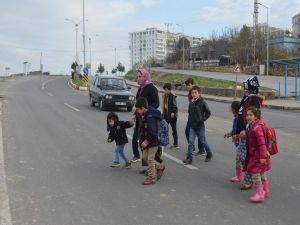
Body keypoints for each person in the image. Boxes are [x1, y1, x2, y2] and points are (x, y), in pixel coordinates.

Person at [237, 76, 264, 190]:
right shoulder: (246, 98)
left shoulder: (253, 100)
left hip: (248, 133)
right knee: (242, 157)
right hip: (244, 132)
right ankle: (253, 179)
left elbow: (252, 117)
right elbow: (240, 115)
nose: (243, 89)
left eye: (245, 88)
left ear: (250, 88)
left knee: (245, 157)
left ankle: (251, 181)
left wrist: (245, 129)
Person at [131, 68, 159, 163]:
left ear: (145, 76)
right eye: (137, 77)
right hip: (140, 119)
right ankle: (142, 160)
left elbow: (156, 103)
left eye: (140, 76)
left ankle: (153, 165)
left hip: (148, 120)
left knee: (146, 143)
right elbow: (138, 104)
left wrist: (146, 111)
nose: (138, 78)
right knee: (137, 141)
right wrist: (135, 115)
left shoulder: (151, 88)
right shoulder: (140, 88)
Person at [135, 97, 165, 185]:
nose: (137, 111)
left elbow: (152, 131)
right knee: (144, 158)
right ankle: (160, 167)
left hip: (153, 141)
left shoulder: (150, 117)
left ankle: (152, 177)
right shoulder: (146, 113)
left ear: (143, 108)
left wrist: (146, 142)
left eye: (137, 109)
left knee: (150, 158)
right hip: (148, 140)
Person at [244, 106, 271, 203]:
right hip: (258, 155)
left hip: (258, 156)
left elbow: (262, 143)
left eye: (250, 115)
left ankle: (260, 194)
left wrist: (263, 156)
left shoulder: (256, 127)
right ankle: (265, 191)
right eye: (247, 115)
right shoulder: (252, 126)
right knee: (262, 173)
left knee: (255, 174)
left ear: (255, 116)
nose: (248, 117)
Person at [182, 86, 213, 164]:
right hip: (192, 126)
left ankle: (209, 154)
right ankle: (189, 158)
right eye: (192, 93)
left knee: (203, 142)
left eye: (195, 93)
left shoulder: (202, 102)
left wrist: (203, 119)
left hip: (200, 126)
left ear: (199, 93)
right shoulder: (191, 102)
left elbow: (208, 113)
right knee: (190, 142)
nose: (194, 94)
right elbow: (189, 113)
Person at [184, 78, 205, 156]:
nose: (187, 87)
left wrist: (202, 118)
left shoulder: (196, 92)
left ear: (192, 84)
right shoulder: (189, 93)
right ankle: (192, 147)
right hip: (191, 117)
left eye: (188, 85)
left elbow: (201, 103)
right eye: (186, 85)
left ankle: (202, 149)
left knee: (199, 133)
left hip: (197, 118)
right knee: (187, 132)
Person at [224, 101, 243, 182]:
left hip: (242, 144)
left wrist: (236, 136)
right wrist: (230, 134)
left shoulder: (240, 119)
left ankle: (244, 178)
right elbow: (235, 130)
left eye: (231, 108)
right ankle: (239, 176)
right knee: (239, 160)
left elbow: (243, 132)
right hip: (238, 143)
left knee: (240, 160)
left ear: (234, 110)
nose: (230, 109)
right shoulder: (236, 118)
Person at [162, 83, 179, 149]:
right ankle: (164, 142)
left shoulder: (172, 96)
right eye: (164, 89)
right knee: (164, 129)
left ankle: (176, 144)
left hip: (172, 116)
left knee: (174, 130)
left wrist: (173, 112)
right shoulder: (164, 96)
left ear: (169, 90)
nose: (165, 91)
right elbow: (164, 106)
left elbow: (175, 107)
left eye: (166, 90)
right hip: (166, 115)